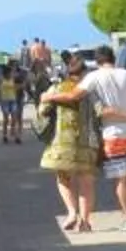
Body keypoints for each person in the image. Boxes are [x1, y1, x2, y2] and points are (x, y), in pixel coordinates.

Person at [82, 45, 126, 230]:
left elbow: (78, 94)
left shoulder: (93, 77)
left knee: (120, 178)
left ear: (97, 61)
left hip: (113, 134)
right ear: (113, 58)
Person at [36, 53, 98, 232]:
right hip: (88, 140)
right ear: (84, 72)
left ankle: (72, 213)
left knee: (63, 178)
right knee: (86, 182)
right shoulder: (90, 90)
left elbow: (43, 111)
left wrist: (47, 99)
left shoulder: (57, 88)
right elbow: (100, 112)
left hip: (62, 142)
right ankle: (85, 221)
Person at [0, 56, 27, 144]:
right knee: (6, 119)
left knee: (14, 118)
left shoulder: (13, 78)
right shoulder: (1, 79)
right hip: (4, 101)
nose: (11, 73)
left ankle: (16, 136)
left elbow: (17, 87)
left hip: (13, 100)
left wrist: (23, 84)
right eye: (10, 71)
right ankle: (4, 136)